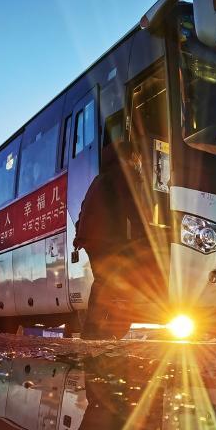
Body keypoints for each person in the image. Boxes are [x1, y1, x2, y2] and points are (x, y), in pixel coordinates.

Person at [73, 140, 142, 339]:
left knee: (105, 280)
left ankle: (97, 329)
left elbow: (84, 208)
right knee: (107, 281)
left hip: (92, 237)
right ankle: (94, 330)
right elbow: (131, 207)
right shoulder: (121, 174)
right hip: (105, 237)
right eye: (137, 157)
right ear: (130, 156)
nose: (138, 160)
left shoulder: (101, 177)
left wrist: (79, 235)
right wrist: (143, 234)